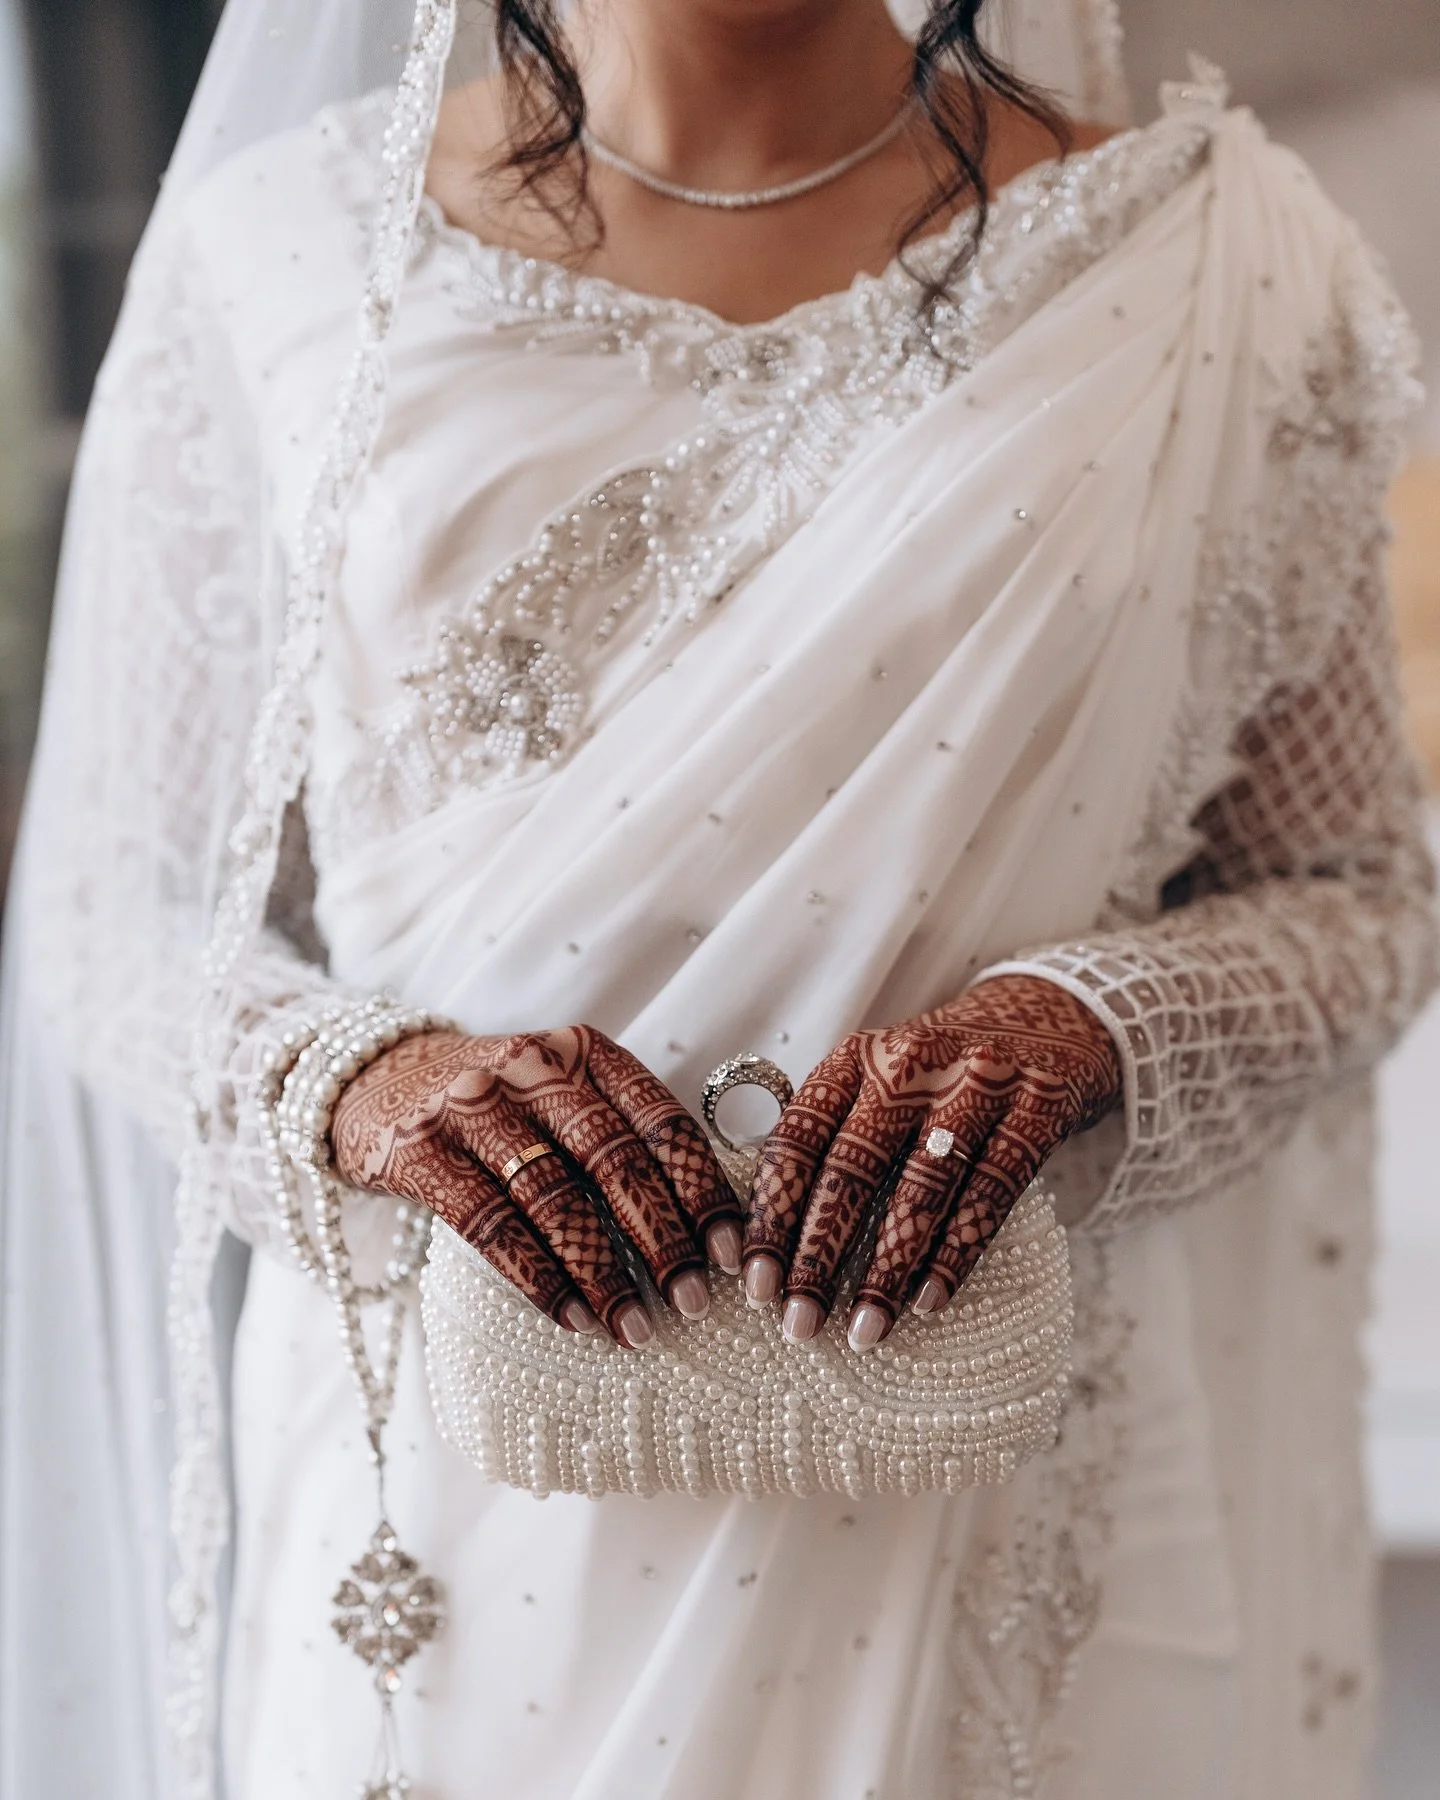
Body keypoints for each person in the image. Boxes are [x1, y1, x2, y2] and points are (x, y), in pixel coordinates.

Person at [1, 1, 1434, 1796]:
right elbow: (116, 906)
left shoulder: (1218, 263)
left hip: (996, 1509)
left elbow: (1353, 890)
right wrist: (362, 1085)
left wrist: (1085, 1026)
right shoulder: (278, 257)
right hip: (460, 1534)